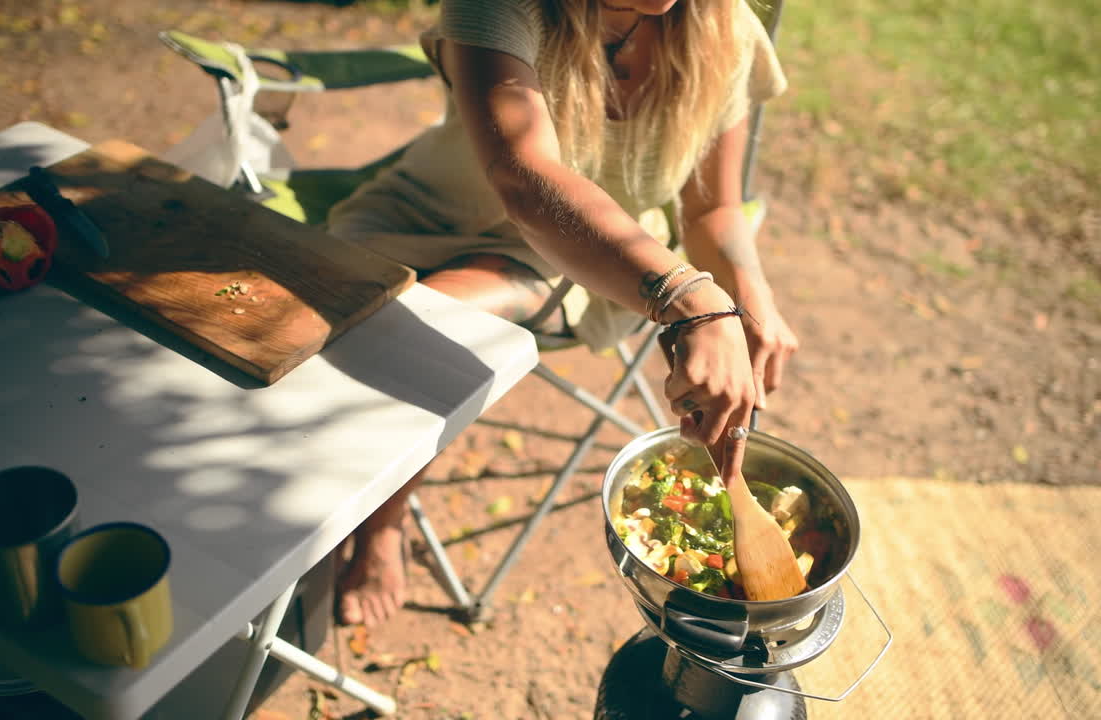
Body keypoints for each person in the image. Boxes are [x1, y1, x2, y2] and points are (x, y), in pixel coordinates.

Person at [327, 0, 799, 627]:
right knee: (416, 325)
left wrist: (751, 296)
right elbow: (525, 176)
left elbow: (712, 209)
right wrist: (693, 303)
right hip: (431, 220)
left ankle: (379, 518)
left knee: (431, 324)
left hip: (602, 260)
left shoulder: (723, 27)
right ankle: (382, 519)